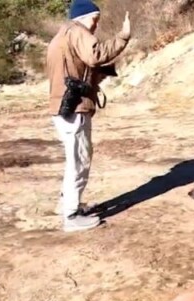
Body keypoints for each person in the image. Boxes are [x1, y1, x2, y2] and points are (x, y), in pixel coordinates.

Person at [46, 0, 131, 232]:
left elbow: (75, 68)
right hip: (74, 108)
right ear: (85, 17)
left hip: (63, 107)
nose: (96, 26)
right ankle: (71, 216)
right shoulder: (77, 32)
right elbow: (95, 54)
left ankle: (67, 204)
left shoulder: (62, 36)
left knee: (74, 159)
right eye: (95, 19)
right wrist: (122, 37)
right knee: (79, 160)